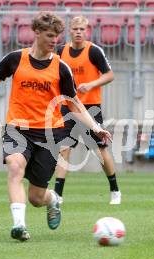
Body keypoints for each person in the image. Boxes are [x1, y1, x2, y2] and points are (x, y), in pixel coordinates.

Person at [0, 12, 111, 242]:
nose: (54, 41)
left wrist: (95, 127)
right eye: (50, 35)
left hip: (50, 134)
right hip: (17, 127)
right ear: (37, 32)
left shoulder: (61, 68)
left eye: (57, 37)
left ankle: (52, 200)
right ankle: (19, 225)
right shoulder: (15, 59)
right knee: (14, 166)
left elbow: (73, 104)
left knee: (36, 197)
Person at [53, 15, 121, 205]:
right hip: (68, 107)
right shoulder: (61, 51)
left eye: (82, 29)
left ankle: (115, 189)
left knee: (100, 150)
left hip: (90, 107)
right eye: (75, 29)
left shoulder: (94, 51)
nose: (78, 32)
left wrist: (91, 84)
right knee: (64, 148)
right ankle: (58, 194)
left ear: (87, 31)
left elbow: (110, 75)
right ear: (70, 31)